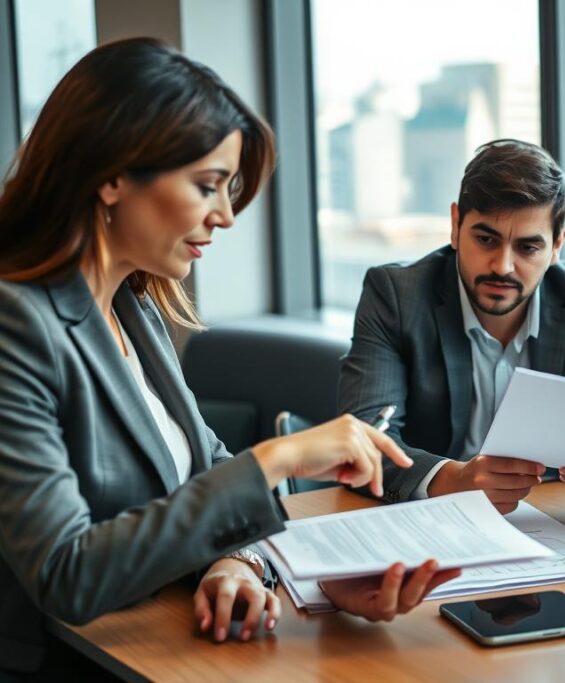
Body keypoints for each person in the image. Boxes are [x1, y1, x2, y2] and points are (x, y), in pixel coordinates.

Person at [0, 38, 458, 675]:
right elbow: (65, 575)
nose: (224, 216)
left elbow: (204, 472)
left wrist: (264, 567)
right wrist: (279, 457)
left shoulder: (134, 306)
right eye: (208, 185)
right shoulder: (15, 323)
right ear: (111, 175)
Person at [338, 139, 565, 512]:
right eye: (486, 239)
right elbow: (365, 440)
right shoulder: (397, 295)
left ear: (557, 245)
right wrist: (453, 479)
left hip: (556, 525)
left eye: (527, 248)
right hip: (431, 521)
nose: (503, 266)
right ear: (456, 225)